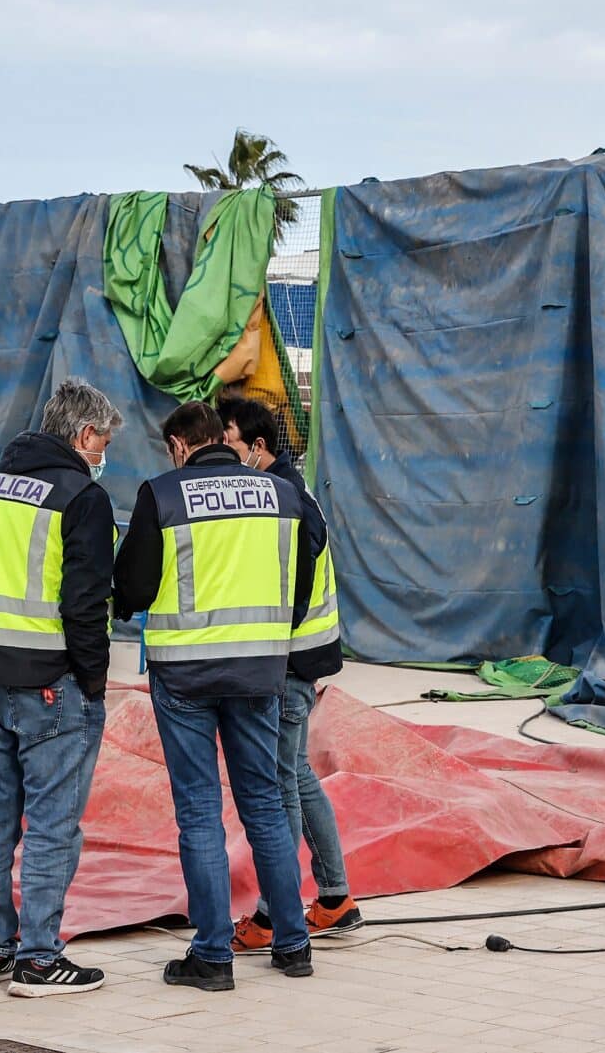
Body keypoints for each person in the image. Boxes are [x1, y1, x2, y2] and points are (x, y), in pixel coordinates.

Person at [114, 400, 324, 992]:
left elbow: (131, 585)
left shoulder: (165, 494)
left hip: (184, 677)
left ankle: (212, 955)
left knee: (201, 813)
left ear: (180, 446)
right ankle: (293, 943)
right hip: (260, 674)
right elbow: (301, 582)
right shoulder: (282, 495)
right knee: (264, 806)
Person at [0, 377, 120, 998]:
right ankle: (40, 958)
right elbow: (87, 606)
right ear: (84, 433)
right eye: (103, 440)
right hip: (52, 683)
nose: (103, 452)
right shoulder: (81, 497)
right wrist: (91, 684)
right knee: (52, 822)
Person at [212, 395, 355, 950]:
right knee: (296, 772)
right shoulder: (290, 491)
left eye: (229, 442)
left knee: (280, 782)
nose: (224, 451)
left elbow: (290, 584)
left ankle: (275, 914)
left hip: (293, 660)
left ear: (258, 447)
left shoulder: (287, 500)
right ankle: (335, 897)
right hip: (307, 654)